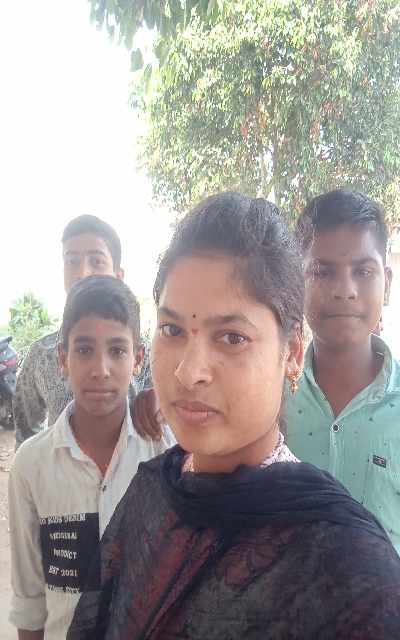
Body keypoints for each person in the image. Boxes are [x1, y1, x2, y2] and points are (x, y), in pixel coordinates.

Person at [68, 192, 400, 640]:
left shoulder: (354, 573)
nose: (188, 372)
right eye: (172, 330)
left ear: (291, 352)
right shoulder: (151, 492)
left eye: (231, 337)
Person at [8, 275, 174, 640]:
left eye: (117, 350)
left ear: (138, 358)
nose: (101, 369)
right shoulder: (31, 466)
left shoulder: (167, 452)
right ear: (62, 359)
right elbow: (29, 599)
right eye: (84, 350)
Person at [285, 189, 400, 554]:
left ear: (387, 283)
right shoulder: (269, 398)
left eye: (363, 271)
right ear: (296, 282)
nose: (345, 290)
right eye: (323, 271)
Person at [12, 214, 153, 449]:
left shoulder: (147, 357)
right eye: (72, 261)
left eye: (96, 261)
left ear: (119, 276)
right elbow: (26, 430)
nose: (82, 272)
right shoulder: (41, 355)